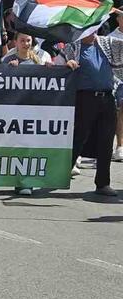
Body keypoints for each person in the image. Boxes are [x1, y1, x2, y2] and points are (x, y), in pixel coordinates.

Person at [58, 31, 123, 196]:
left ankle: (103, 184)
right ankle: (59, 176)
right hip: (85, 98)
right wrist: (68, 63)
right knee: (79, 137)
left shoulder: (107, 43)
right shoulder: (73, 47)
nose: (94, 32)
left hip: (107, 97)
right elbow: (58, 66)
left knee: (106, 141)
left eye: (96, 28)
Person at [1, 31, 52, 197]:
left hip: (34, 111)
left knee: (31, 146)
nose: (26, 43)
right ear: (15, 42)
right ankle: (18, 180)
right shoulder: (8, 60)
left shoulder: (39, 59)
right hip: (14, 111)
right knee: (17, 147)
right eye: (22, 40)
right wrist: (8, 71)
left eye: (28, 40)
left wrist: (50, 70)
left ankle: (27, 180)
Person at [108, 9, 123, 161]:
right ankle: (119, 147)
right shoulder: (111, 38)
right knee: (119, 112)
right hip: (117, 81)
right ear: (118, 19)